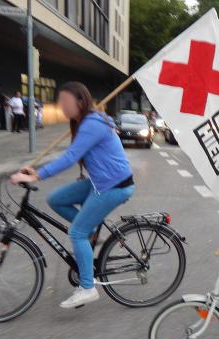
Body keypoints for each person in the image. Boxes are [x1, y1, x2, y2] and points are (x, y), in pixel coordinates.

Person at [10, 81, 135, 309]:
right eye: (60, 101)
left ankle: (87, 288)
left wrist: (36, 176)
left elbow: (70, 157)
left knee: (77, 232)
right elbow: (75, 154)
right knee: (55, 199)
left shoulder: (93, 123)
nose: (61, 106)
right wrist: (35, 170)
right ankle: (89, 233)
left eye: (65, 101)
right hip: (100, 181)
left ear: (79, 101)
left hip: (114, 185)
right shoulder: (83, 122)